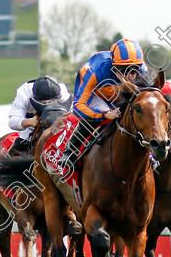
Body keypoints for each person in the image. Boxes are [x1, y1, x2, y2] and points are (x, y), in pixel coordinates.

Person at [60, 38, 149, 167]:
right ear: (115, 65)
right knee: (101, 117)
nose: (131, 74)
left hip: (119, 92)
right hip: (97, 94)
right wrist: (104, 114)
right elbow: (78, 107)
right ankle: (70, 151)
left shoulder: (143, 69)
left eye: (135, 68)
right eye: (125, 69)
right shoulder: (92, 71)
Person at [7, 75, 71, 156]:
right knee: (22, 142)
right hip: (31, 119)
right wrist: (30, 122)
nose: (48, 104)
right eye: (44, 103)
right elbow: (12, 121)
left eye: (52, 101)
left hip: (56, 118)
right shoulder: (24, 93)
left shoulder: (63, 93)